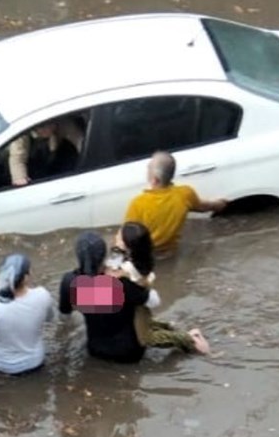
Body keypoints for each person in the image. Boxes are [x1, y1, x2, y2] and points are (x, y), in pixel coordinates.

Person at [110, 222, 210, 354]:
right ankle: (170, 327)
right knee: (146, 321)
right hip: (140, 299)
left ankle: (189, 340)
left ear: (127, 246)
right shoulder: (140, 258)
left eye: (119, 236)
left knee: (145, 338)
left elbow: (113, 274)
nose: (116, 236)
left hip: (138, 303)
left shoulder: (127, 269)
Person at [58, 232, 149, 364]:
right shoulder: (121, 283)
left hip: (96, 350)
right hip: (130, 352)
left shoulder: (69, 282)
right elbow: (147, 299)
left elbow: (65, 312)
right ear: (104, 255)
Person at [124, 151, 228, 256]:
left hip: (145, 257)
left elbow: (125, 237)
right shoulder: (185, 194)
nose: (147, 169)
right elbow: (204, 206)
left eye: (149, 167)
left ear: (155, 180)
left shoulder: (138, 203)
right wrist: (220, 204)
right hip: (170, 253)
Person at [0, 253, 54, 375]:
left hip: (5, 368)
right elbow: (50, 318)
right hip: (36, 362)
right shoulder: (43, 295)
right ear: (26, 277)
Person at [8, 116, 85, 186]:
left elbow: (79, 141)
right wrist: (20, 179)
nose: (50, 127)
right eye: (43, 127)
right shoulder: (22, 134)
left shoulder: (62, 123)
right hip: (32, 162)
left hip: (54, 156)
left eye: (52, 124)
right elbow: (17, 158)